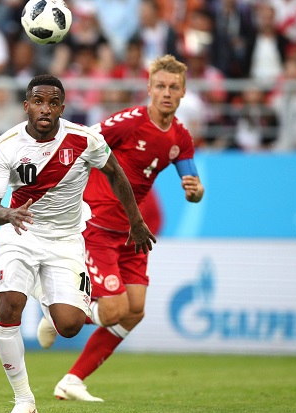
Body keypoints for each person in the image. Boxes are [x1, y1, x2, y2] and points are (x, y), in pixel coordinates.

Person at [0, 74, 156, 413]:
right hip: (21, 233)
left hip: (65, 241)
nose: (45, 109)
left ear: (62, 108)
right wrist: (8, 214)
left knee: (70, 325)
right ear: (26, 106)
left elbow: (115, 172)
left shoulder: (85, 139)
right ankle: (24, 400)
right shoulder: (7, 145)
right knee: (8, 307)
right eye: (38, 102)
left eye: (53, 103)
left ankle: (46, 299)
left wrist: (136, 221)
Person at [36, 54, 205, 402]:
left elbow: (194, 186)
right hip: (98, 225)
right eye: (160, 86)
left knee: (135, 310)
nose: (167, 93)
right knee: (114, 310)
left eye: (174, 87)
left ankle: (72, 380)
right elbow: (83, 142)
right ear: (149, 89)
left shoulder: (181, 137)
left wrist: (196, 191)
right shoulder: (129, 122)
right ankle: (58, 313)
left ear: (183, 92)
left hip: (133, 232)